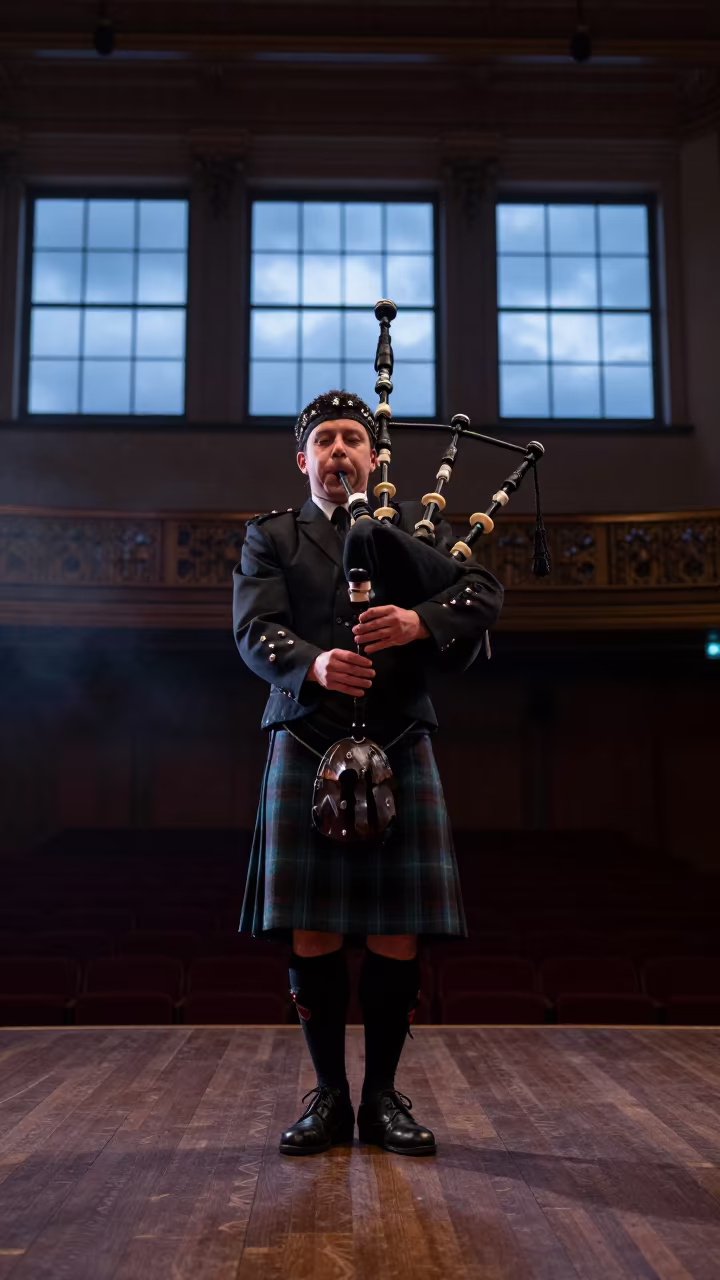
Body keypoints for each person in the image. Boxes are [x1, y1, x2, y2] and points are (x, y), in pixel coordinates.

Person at [233, 389, 503, 1157]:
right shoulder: (272, 536)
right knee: (312, 928)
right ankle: (329, 1097)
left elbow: (481, 595)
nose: (339, 451)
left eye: (352, 438)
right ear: (304, 459)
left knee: (396, 929)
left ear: (375, 457)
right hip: (307, 737)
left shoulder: (411, 531)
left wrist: (420, 621)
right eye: (325, 440)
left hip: (400, 738)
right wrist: (314, 664)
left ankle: (382, 1097)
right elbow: (254, 629)